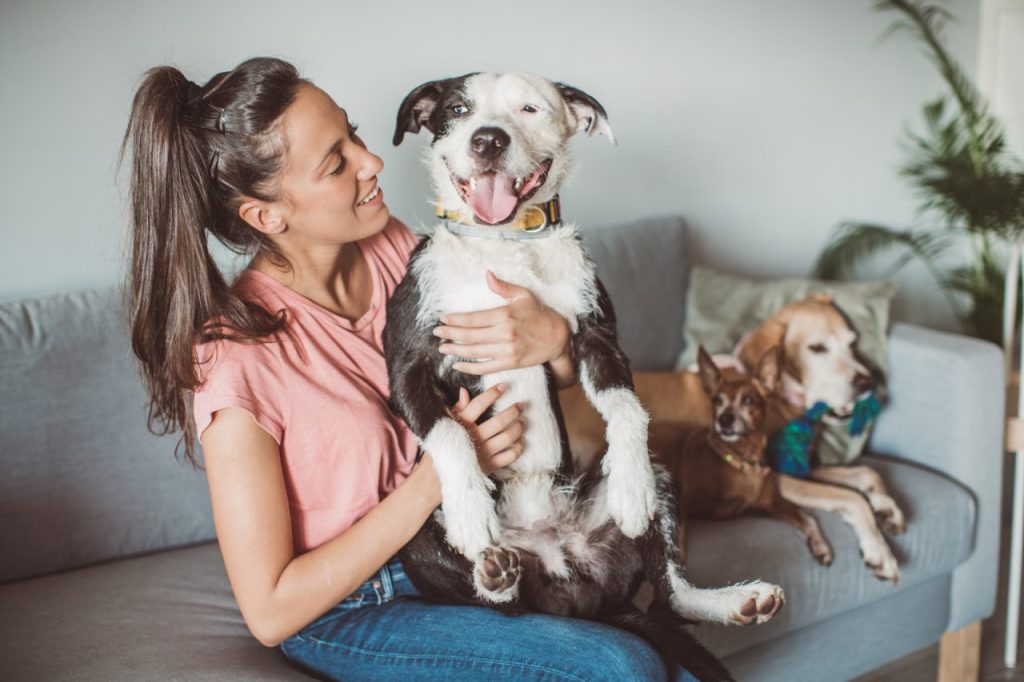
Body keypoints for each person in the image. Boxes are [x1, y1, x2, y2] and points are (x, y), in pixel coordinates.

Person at [122, 56, 696, 681]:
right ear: (268, 216)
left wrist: (555, 339)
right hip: (361, 604)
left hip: (471, 551)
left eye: (355, 134)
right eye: (336, 163)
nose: (372, 163)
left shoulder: (397, 250)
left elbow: (542, 377)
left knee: (673, 657)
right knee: (620, 666)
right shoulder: (234, 356)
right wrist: (440, 477)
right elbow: (269, 611)